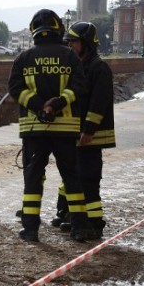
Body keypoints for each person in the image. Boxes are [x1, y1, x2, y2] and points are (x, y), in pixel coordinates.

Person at [8, 9, 88, 242]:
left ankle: (30, 229)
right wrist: (57, 104)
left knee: (33, 177)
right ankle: (79, 228)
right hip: (65, 129)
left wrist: (38, 106)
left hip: (34, 129)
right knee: (71, 176)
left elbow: (15, 89)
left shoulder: (23, 58)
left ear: (34, 30)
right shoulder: (70, 57)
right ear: (58, 29)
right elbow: (79, 86)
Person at [50, 22, 116, 240]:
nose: (70, 46)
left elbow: (98, 104)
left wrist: (88, 130)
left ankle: (94, 223)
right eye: (68, 42)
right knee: (73, 177)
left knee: (88, 179)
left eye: (74, 42)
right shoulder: (78, 67)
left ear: (86, 43)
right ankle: (71, 214)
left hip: (91, 137)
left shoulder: (99, 68)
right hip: (75, 134)